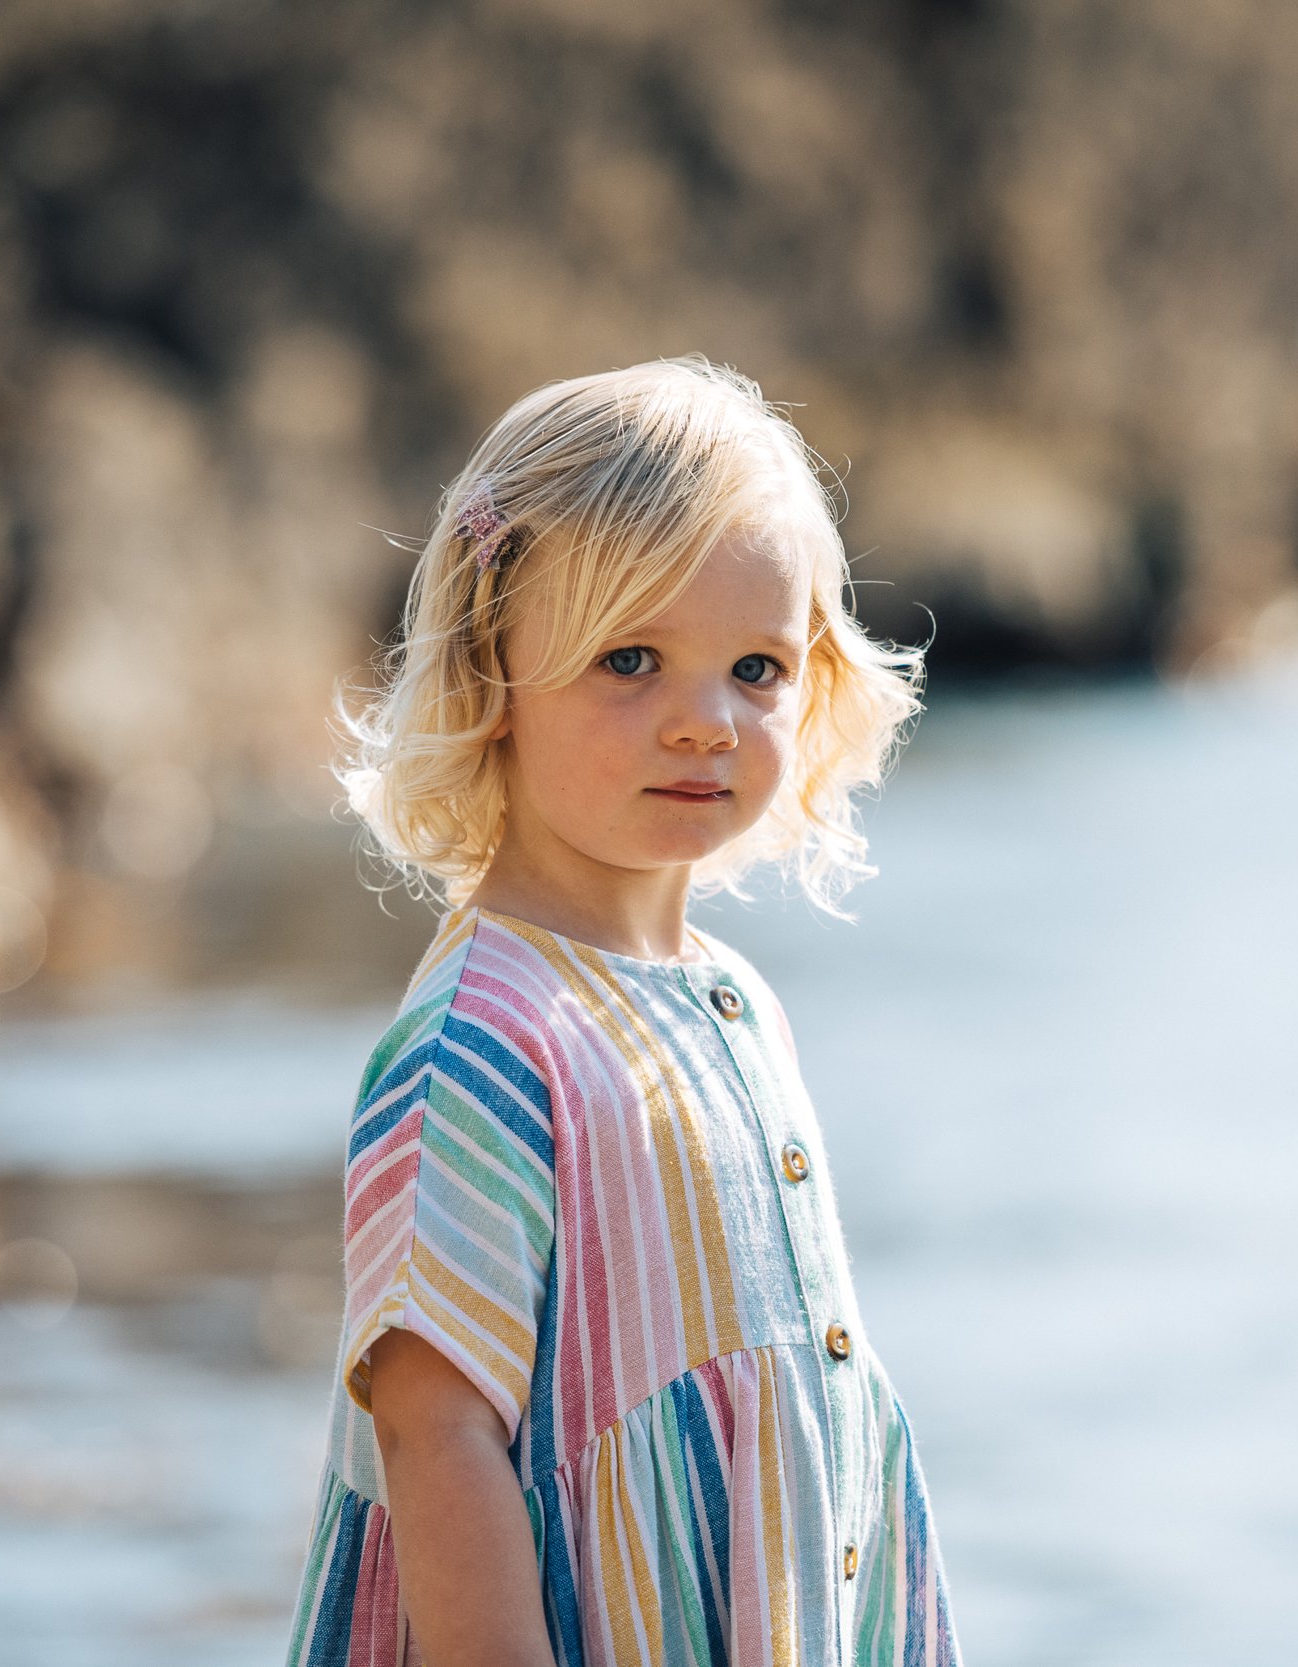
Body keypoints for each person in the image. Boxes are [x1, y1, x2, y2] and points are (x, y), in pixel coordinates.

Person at [285, 358, 961, 1667]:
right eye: (631, 661)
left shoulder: (733, 1001)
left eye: (756, 668)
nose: (704, 722)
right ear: (493, 675)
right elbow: (437, 1433)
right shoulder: (481, 1043)